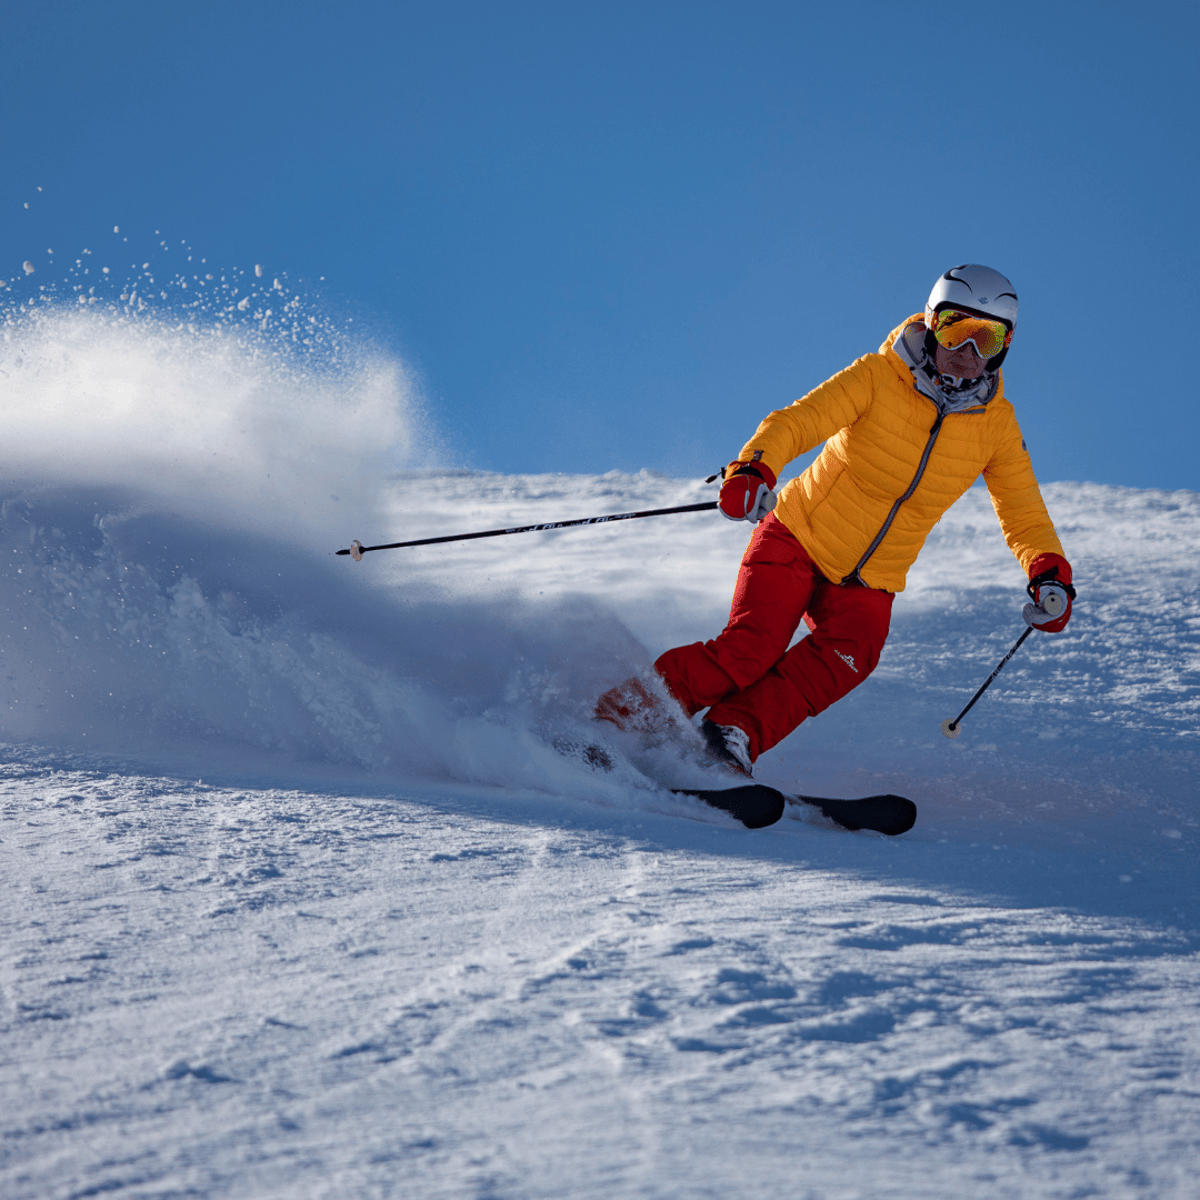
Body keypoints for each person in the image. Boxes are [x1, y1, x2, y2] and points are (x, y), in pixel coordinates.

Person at [595, 264, 1075, 775]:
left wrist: (1048, 572)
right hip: (798, 537)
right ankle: (619, 720)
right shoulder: (878, 376)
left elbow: (1022, 507)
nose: (969, 351)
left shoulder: (996, 426)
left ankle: (730, 734)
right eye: (958, 329)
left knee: (851, 655)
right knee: (751, 648)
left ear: (1006, 345)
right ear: (933, 323)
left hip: (872, 578)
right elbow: (798, 421)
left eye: (989, 336)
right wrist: (754, 469)